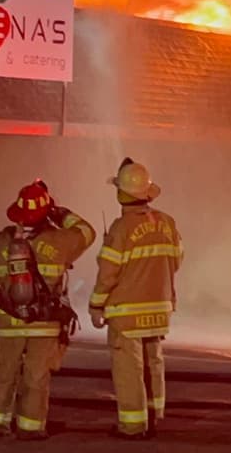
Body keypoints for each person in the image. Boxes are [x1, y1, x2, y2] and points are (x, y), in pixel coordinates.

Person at [0, 180, 95, 440]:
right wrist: (59, 212)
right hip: (45, 324)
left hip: (9, 323)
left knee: (4, 371)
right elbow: (87, 231)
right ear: (45, 212)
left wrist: (2, 301)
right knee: (37, 375)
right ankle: (30, 427)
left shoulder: (0, 242)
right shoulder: (61, 241)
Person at [90, 158, 183, 440]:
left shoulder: (121, 229)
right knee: (153, 364)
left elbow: (108, 274)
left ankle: (132, 426)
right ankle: (153, 417)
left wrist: (96, 305)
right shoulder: (167, 223)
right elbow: (176, 261)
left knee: (129, 370)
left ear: (121, 193)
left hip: (126, 311)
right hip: (160, 308)